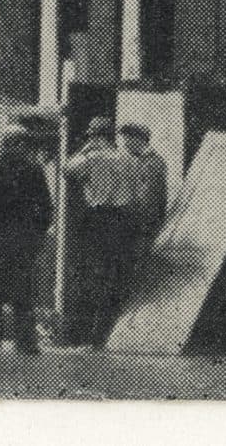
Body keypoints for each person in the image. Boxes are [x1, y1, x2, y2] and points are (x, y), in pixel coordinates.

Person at [0, 132, 53, 354]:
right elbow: (46, 208)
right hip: (23, 240)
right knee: (23, 292)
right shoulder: (34, 171)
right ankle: (26, 343)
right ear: (21, 145)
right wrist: (37, 234)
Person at [63, 116, 135, 345]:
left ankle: (80, 333)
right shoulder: (127, 158)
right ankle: (102, 334)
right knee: (113, 277)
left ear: (94, 136)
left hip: (97, 219)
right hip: (122, 221)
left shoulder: (91, 157)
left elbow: (67, 169)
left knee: (89, 275)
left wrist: (84, 150)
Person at [117, 122, 170, 290]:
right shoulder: (135, 160)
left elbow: (151, 199)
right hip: (134, 223)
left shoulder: (153, 163)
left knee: (140, 273)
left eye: (127, 141)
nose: (124, 145)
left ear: (138, 140)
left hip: (143, 225)